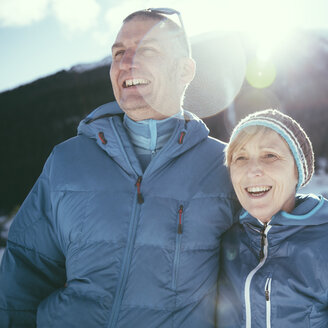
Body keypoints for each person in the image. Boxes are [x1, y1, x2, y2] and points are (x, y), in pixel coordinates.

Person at [0, 8, 237, 328]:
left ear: (185, 70)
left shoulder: (226, 167)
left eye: (148, 50)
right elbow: (25, 271)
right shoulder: (68, 160)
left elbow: (264, 280)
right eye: (119, 52)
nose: (126, 62)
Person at [216, 109, 328, 327]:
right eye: (241, 158)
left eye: (270, 155)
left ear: (298, 171)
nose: (252, 170)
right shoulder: (223, 244)